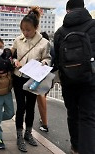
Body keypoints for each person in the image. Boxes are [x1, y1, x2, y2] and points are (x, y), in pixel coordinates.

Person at [53, 0, 95, 153]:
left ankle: (75, 147)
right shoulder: (93, 26)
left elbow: (56, 60)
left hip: (68, 82)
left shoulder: (59, 32)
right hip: (90, 81)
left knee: (72, 114)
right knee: (88, 117)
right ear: (83, 8)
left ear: (67, 10)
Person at [11, 7, 51, 152]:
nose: (25, 33)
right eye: (23, 30)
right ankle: (19, 136)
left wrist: (44, 63)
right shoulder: (18, 40)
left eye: (28, 30)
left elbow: (48, 58)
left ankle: (28, 133)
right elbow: (11, 55)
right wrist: (14, 60)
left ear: (36, 27)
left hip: (34, 79)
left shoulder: (44, 42)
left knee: (31, 107)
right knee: (21, 107)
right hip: (19, 77)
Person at [37, 32, 52, 133]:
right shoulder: (52, 47)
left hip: (43, 76)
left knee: (41, 98)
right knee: (43, 97)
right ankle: (43, 119)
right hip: (52, 75)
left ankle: (45, 123)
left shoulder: (45, 47)